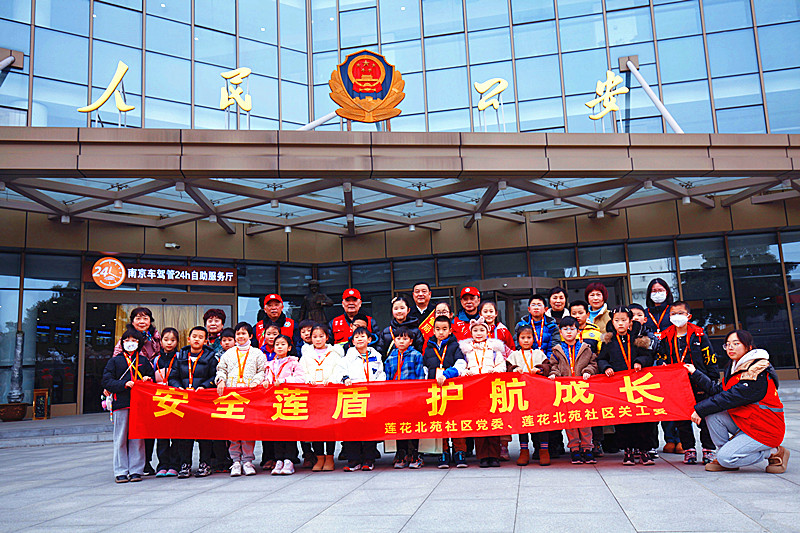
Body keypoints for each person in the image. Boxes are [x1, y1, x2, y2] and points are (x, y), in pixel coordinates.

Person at [687, 330, 788, 474]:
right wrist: (695, 373)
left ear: (749, 347)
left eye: (736, 343)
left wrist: (700, 409)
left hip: (765, 429)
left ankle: (773, 452)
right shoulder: (735, 367)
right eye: (727, 344)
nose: (730, 347)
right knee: (712, 415)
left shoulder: (757, 370)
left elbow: (731, 397)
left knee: (725, 456)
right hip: (746, 423)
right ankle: (725, 457)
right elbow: (718, 391)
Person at [656, 301, 719, 465]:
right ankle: (689, 449)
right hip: (677, 384)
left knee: (704, 418)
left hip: (699, 382)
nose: (676, 316)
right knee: (682, 420)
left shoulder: (699, 335)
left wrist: (711, 380)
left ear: (688, 316)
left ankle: (708, 450)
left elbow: (710, 359)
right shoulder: (665, 336)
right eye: (673, 313)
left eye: (680, 313)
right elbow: (661, 356)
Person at [597, 306, 655, 466]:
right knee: (623, 420)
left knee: (643, 419)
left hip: (638, 386)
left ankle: (644, 450)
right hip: (619, 387)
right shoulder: (609, 342)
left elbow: (648, 357)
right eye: (617, 320)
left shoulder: (638, 339)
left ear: (630, 322)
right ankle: (628, 451)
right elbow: (601, 359)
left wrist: (639, 362)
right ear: (612, 322)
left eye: (624, 320)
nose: (620, 323)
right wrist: (606, 367)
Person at [102, 328, 154, 483]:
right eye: (127, 340)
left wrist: (147, 379)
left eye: (134, 340)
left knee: (137, 438)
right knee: (120, 438)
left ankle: (137, 470)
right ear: (122, 342)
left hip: (139, 405)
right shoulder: (115, 361)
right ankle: (120, 471)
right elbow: (106, 381)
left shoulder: (144, 361)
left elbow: (152, 378)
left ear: (139, 343)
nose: (130, 343)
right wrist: (124, 384)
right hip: (121, 403)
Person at [215, 322, 266, 477]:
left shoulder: (257, 353)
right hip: (232, 396)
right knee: (234, 429)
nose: (241, 336)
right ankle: (236, 461)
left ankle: (248, 461)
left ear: (250, 336)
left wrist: (256, 381)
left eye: (244, 333)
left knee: (248, 429)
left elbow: (262, 370)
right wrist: (221, 380)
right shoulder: (228, 353)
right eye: (238, 334)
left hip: (250, 396)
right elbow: (221, 369)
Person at [332, 327, 386, 471]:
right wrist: (345, 378)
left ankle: (369, 459)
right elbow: (339, 371)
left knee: (370, 428)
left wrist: (378, 385)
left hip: (371, 397)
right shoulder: (348, 356)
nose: (360, 339)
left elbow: (381, 373)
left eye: (363, 336)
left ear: (369, 339)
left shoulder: (376, 355)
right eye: (356, 337)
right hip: (353, 398)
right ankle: (353, 460)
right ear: (353, 341)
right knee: (352, 428)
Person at [168, 326, 218, 478]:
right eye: (194, 336)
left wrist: (204, 386)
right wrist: (180, 388)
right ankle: (185, 464)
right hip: (185, 401)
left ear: (205, 340)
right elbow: (172, 377)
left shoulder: (211, 357)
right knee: (185, 434)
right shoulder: (179, 356)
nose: (197, 339)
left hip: (203, 401)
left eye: (201, 337)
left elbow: (215, 377)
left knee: (205, 434)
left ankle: (205, 464)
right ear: (188, 339)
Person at [548, 316, 598, 465]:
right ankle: (575, 449)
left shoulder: (586, 348)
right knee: (570, 422)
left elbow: (593, 364)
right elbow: (554, 366)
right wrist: (554, 374)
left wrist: (588, 370)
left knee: (585, 421)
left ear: (578, 331)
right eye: (565, 329)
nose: (569, 332)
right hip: (566, 391)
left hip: (583, 391)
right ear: (560, 331)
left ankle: (587, 448)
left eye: (572, 328)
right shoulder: (556, 350)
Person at [460, 317, 507, 467]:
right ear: (471, 332)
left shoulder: (494, 349)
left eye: (482, 330)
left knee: (493, 422)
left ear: (488, 332)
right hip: (474, 391)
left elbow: (502, 366)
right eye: (475, 330)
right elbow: (462, 366)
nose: (479, 333)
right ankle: (482, 456)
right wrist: (465, 372)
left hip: (491, 389)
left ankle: (494, 455)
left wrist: (496, 370)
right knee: (478, 423)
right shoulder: (466, 350)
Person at [421, 315, 467, 468]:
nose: (441, 332)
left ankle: (459, 452)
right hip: (435, 390)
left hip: (452, 389)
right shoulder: (428, 348)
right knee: (439, 421)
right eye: (438, 329)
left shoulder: (455, 346)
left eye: (444, 329)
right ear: (433, 330)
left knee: (455, 420)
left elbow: (461, 364)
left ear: (450, 330)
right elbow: (425, 367)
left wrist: (447, 374)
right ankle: (443, 452)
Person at [301, 324, 344, 472]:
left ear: (327, 337)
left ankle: (330, 457)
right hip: (312, 394)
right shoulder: (306, 354)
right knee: (316, 427)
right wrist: (308, 379)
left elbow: (339, 370)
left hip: (329, 394)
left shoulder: (334, 353)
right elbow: (302, 371)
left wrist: (331, 379)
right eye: (314, 337)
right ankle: (319, 457)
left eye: (321, 336)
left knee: (329, 427)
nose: (318, 339)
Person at [507, 325, 550, 466]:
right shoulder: (514, 355)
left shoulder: (539, 354)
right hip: (521, 396)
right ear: (518, 339)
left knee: (541, 422)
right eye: (523, 338)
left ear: (534, 339)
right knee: (523, 423)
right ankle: (524, 450)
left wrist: (539, 369)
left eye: (529, 337)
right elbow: (507, 369)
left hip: (538, 395)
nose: (526, 340)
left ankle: (544, 450)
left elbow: (548, 366)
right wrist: (514, 368)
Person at [384, 327, 426, 469]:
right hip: (396, 397)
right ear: (394, 341)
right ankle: (401, 454)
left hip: (412, 397)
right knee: (399, 425)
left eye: (405, 339)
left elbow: (420, 376)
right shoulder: (390, 357)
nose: (401, 341)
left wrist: (419, 395)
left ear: (411, 341)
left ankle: (415, 454)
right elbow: (388, 379)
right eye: (398, 339)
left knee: (413, 425)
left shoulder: (416, 355)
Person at [264, 334, 306, 476]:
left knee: (289, 431)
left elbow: (301, 379)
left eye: (283, 344)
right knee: (276, 431)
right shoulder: (269, 364)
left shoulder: (294, 362)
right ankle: (279, 459)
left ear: (289, 347)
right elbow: (267, 379)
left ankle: (290, 459)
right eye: (277, 344)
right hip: (274, 402)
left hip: (290, 400)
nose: (279, 347)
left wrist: (284, 381)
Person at [152, 327, 180, 477]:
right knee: (161, 435)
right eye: (166, 339)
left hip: (176, 400)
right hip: (160, 401)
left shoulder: (180, 357)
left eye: (173, 340)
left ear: (177, 342)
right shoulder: (156, 359)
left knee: (176, 434)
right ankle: (162, 464)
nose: (169, 343)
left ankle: (175, 464)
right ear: (161, 341)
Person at [210, 326, 236, 473]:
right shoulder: (214, 356)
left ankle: (234, 458)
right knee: (220, 429)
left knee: (233, 429)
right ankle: (220, 459)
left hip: (235, 394)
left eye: (230, 340)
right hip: (218, 393)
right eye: (224, 340)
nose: (227, 343)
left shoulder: (239, 354)